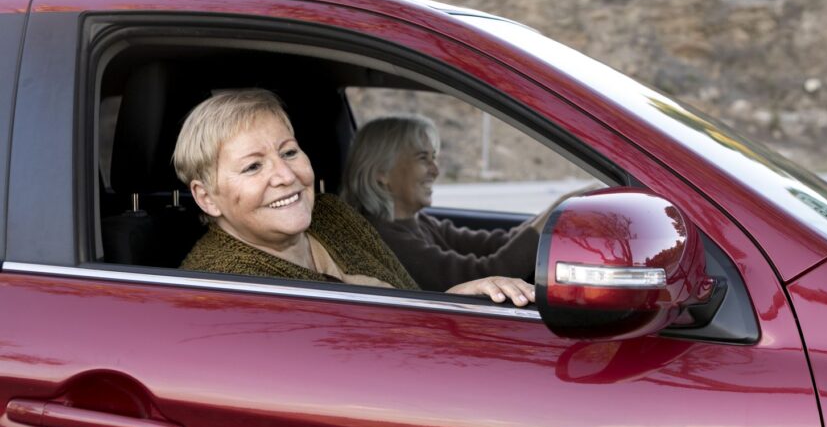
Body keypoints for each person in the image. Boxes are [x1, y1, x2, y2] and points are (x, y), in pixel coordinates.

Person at [173, 89, 534, 306]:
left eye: (289, 152)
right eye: (253, 167)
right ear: (207, 198)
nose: (285, 176)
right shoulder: (222, 285)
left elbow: (403, 298)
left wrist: (454, 300)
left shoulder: (331, 214)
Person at [343, 114, 587, 292]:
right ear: (382, 172)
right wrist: (560, 211)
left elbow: (497, 244)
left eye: (434, 158)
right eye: (422, 159)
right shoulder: (384, 239)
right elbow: (486, 273)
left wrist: (560, 206)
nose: (435, 170)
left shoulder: (418, 223)